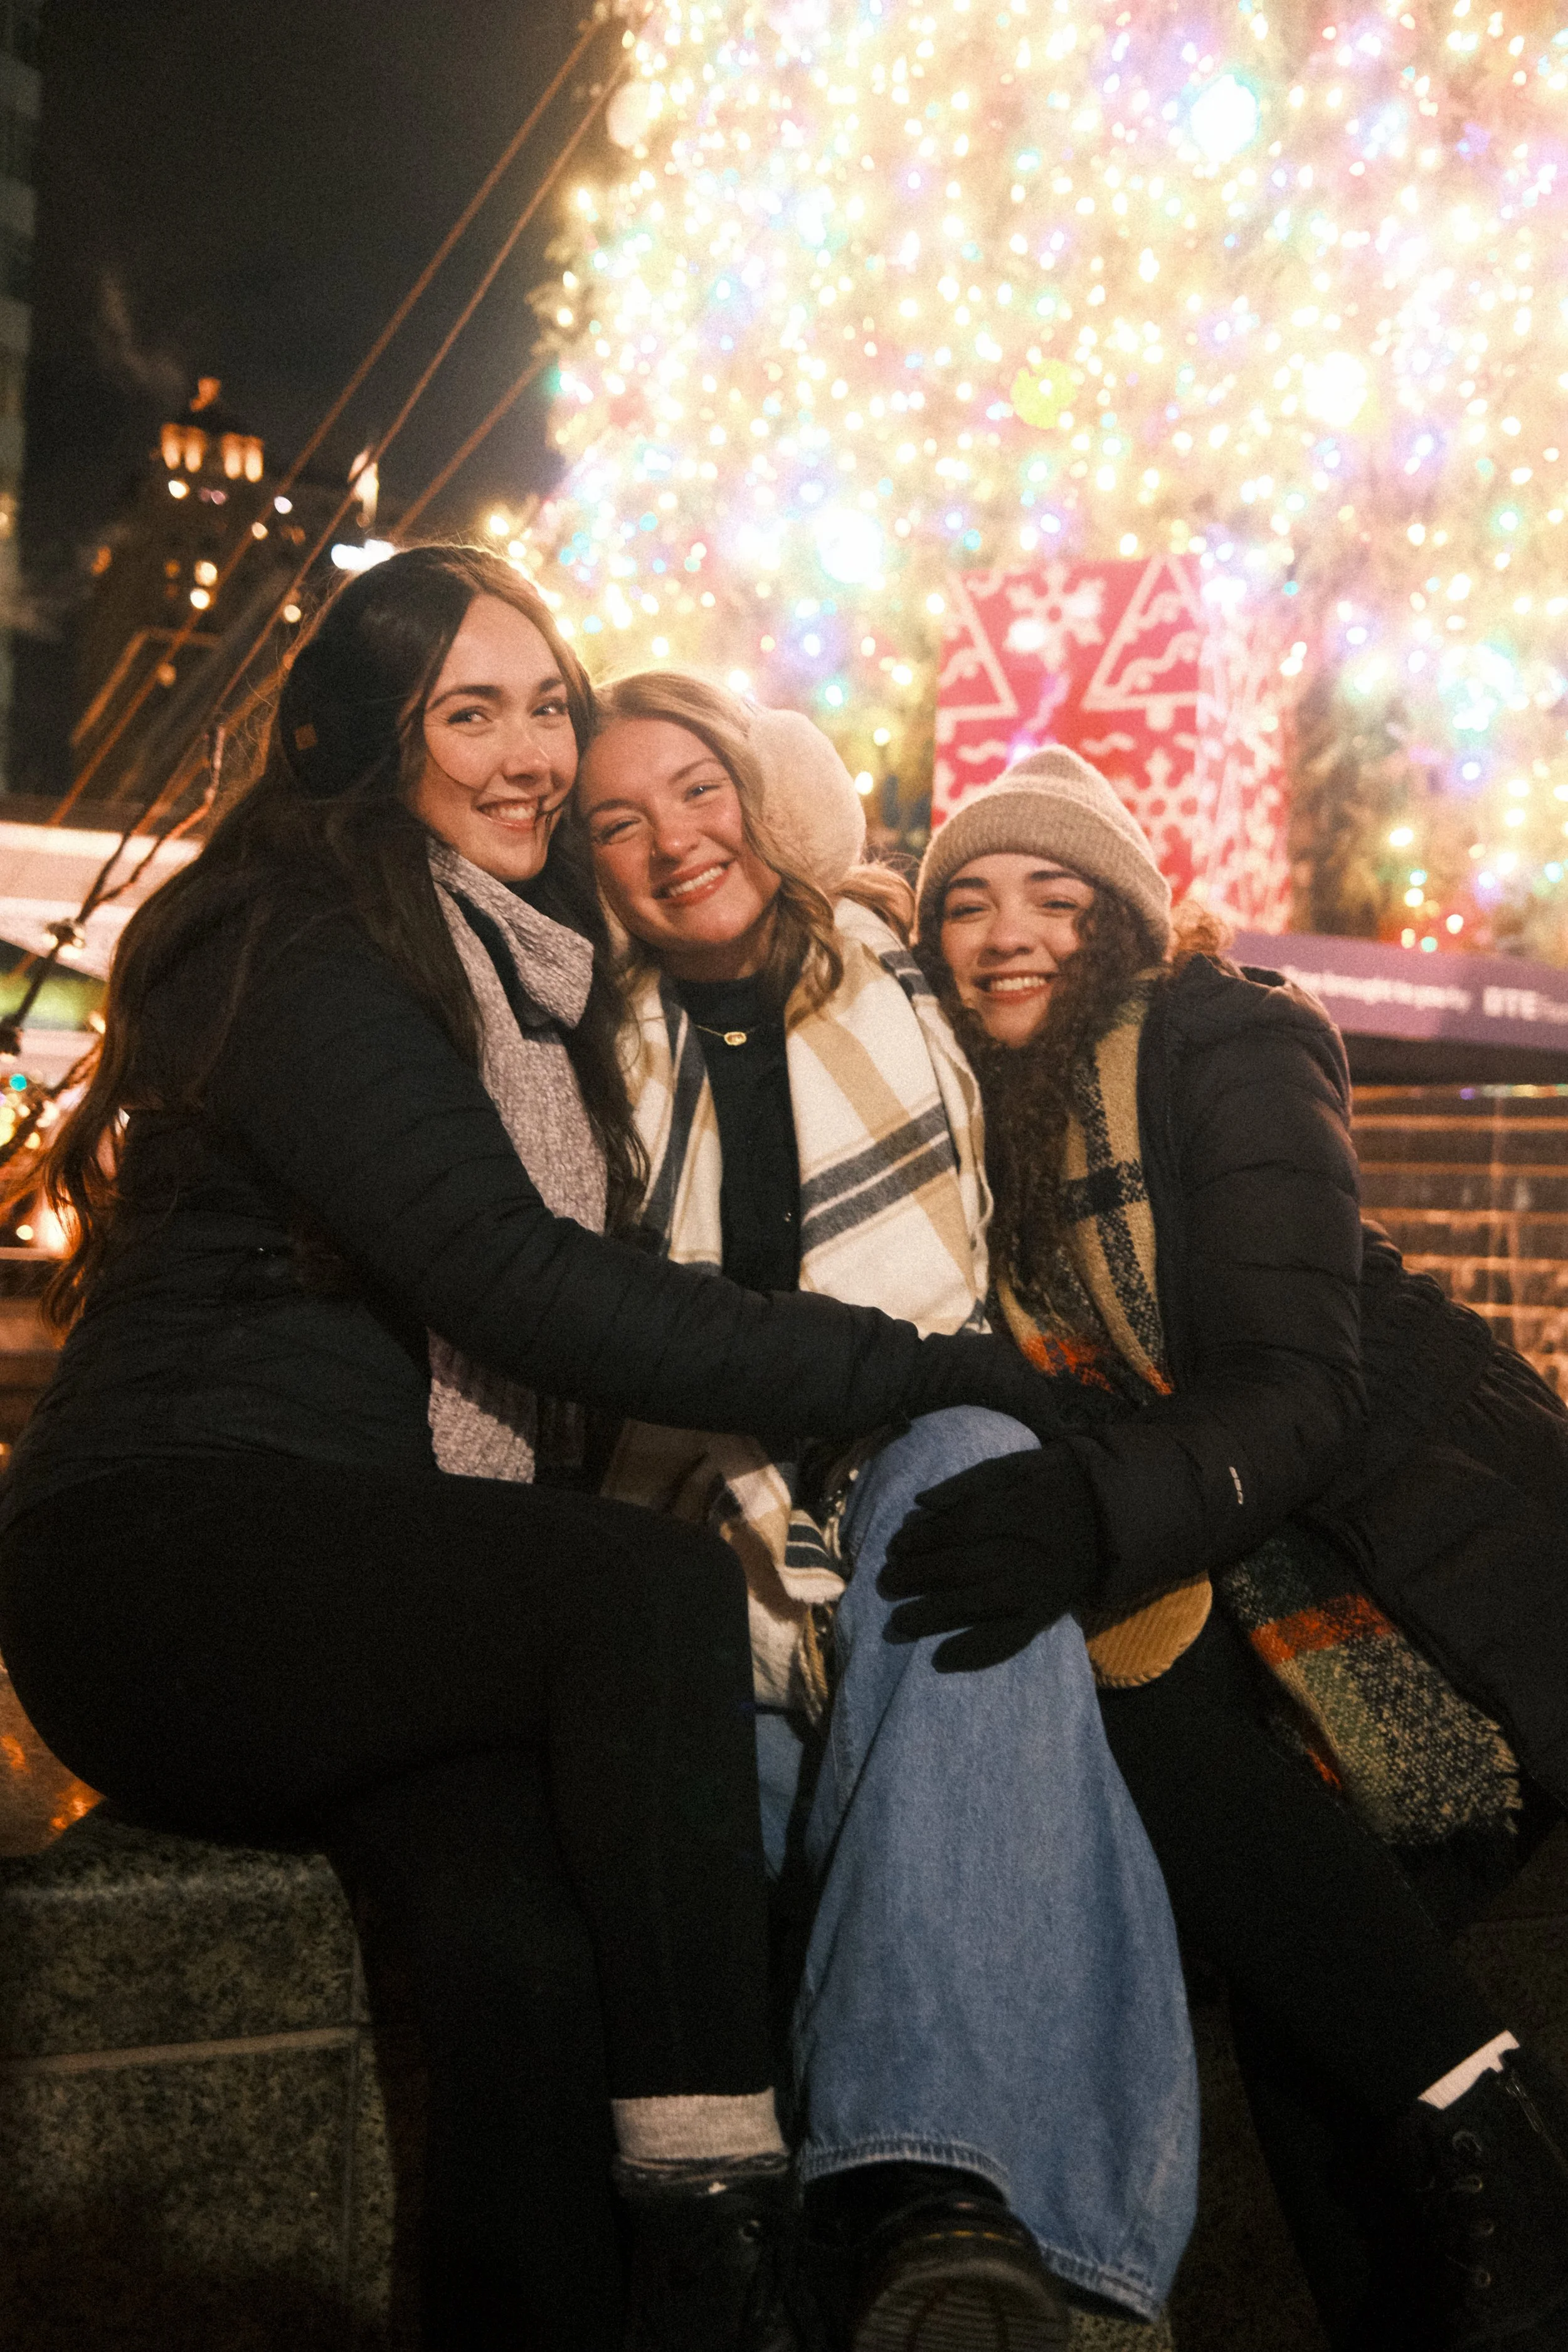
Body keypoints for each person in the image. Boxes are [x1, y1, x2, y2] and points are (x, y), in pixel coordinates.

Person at [0, 548, 1079, 2352]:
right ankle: (718, 2226)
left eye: (544, 705)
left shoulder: (516, 974)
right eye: (466, 709)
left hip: (363, 1581)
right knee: (642, 1591)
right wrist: (904, 1366)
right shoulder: (298, 940)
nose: (526, 752)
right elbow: (522, 1282)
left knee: (527, 1949)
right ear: (364, 739)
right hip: (169, 1562)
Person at [900, 746, 1568, 2352]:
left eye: (1053, 900)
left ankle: (1507, 2162)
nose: (1005, 934)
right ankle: (1504, 2192)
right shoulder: (971, 1126)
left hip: (1428, 1562)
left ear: (1123, 927)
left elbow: (1293, 1389)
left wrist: (1084, 1513)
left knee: (1295, 1954)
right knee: (1280, 1955)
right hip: (1238, 1559)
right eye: (966, 905)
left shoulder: (1226, 1040)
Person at [576, 670, 1200, 2352]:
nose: (668, 839)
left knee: (970, 1520)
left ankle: (927, 2202)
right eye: (614, 820)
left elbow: (1079, 1010)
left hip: (932, 1429)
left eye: (695, 789)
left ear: (763, 796)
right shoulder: (579, 1050)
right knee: (901, 1780)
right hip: (711, 1511)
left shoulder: (897, 970)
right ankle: (1027, 2254)